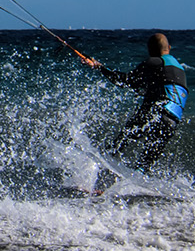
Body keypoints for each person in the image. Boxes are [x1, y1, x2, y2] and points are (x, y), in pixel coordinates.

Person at [78, 32, 188, 170]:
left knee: (118, 145)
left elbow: (124, 81)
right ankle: (136, 187)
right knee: (145, 163)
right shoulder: (179, 69)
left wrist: (99, 67)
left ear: (150, 50)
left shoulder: (154, 62)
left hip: (158, 111)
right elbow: (163, 89)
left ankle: (99, 180)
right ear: (169, 47)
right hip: (173, 120)